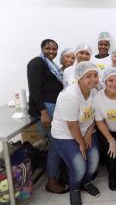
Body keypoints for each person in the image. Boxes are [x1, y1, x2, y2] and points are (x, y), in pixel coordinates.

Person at [51, 61, 100, 205]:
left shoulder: (94, 91)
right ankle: (75, 189)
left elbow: (93, 116)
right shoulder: (70, 95)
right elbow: (71, 125)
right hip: (65, 134)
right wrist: (81, 143)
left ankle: (86, 182)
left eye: (95, 75)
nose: (93, 79)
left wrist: (89, 134)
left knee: (94, 159)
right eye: (88, 76)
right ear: (79, 77)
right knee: (79, 165)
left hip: (86, 131)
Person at [27, 39, 66, 193]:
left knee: (57, 144)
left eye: (55, 49)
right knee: (56, 145)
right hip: (45, 111)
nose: (52, 51)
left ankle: (56, 176)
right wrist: (43, 112)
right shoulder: (36, 63)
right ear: (42, 48)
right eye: (48, 48)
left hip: (53, 109)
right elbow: (34, 88)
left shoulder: (52, 66)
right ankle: (51, 182)